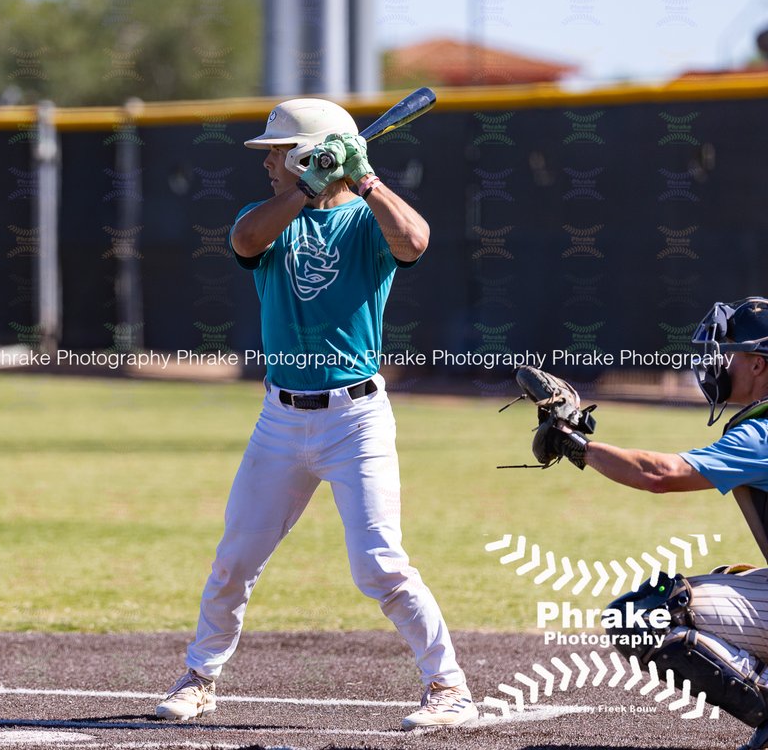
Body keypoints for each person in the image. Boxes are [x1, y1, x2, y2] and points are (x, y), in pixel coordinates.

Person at [153, 98, 477, 730]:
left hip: (355, 419)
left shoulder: (366, 220)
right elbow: (246, 240)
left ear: (305, 151)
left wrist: (365, 177)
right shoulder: (267, 218)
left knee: (379, 566)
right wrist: (305, 185)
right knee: (235, 559)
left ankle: (449, 688)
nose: (268, 164)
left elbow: (415, 241)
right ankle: (200, 677)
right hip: (280, 419)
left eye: (278, 153)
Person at [545, 298, 768, 750]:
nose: (718, 363)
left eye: (730, 353)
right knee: (729, 579)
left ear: (759, 364)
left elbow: (659, 475)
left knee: (644, 616)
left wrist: (575, 443)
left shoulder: (761, 433)